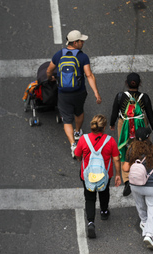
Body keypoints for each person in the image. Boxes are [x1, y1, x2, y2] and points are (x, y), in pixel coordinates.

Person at [46, 30, 102, 158]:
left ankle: (73, 145)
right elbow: (89, 75)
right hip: (79, 92)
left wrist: (51, 78)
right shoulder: (82, 57)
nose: (83, 42)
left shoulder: (59, 55)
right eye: (81, 41)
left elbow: (49, 70)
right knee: (79, 112)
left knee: (66, 119)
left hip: (63, 93)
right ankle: (77, 132)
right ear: (75, 42)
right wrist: (96, 93)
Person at [110, 72, 153, 196]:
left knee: (125, 148)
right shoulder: (145, 97)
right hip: (140, 123)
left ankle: (127, 179)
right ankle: (143, 172)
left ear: (126, 83)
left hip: (125, 124)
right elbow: (150, 115)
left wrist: (111, 123)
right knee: (141, 147)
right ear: (140, 84)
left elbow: (114, 112)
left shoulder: (120, 96)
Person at [74, 114, 121, 238]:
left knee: (89, 198)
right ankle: (104, 212)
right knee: (104, 192)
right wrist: (118, 175)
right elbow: (116, 159)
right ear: (104, 127)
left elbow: (77, 155)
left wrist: (81, 159)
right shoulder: (110, 141)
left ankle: (90, 222)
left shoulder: (84, 139)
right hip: (105, 174)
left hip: (87, 174)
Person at [122, 127, 153, 250]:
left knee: (140, 205)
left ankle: (144, 223)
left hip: (136, 185)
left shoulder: (130, 150)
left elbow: (125, 168)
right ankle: (149, 234)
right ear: (148, 138)